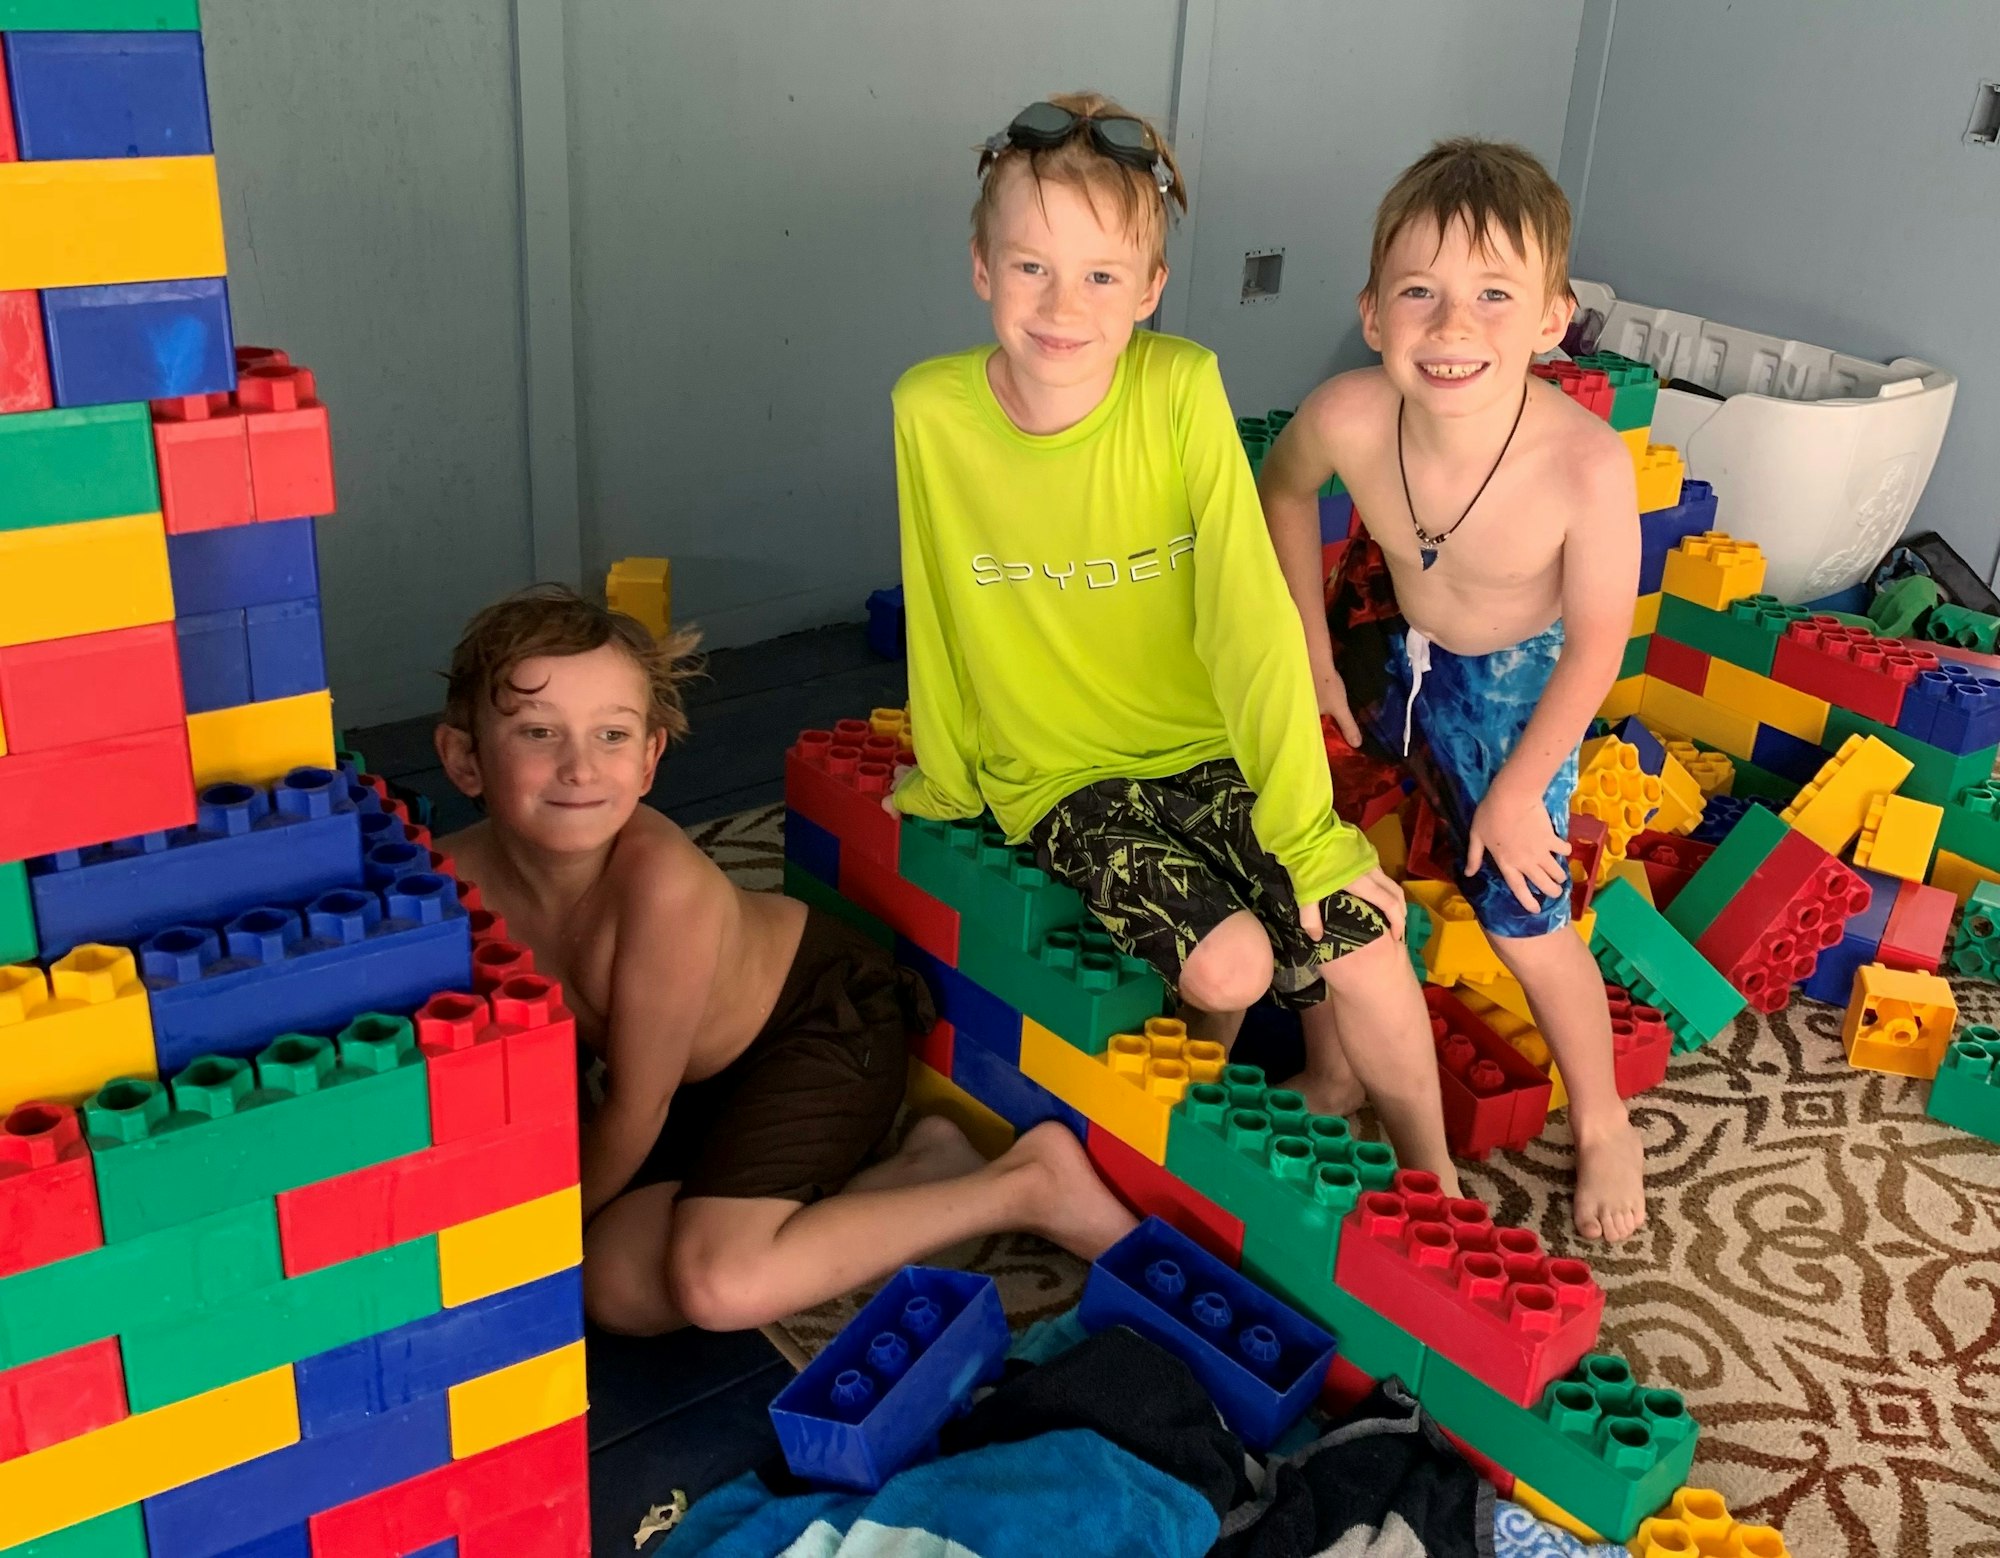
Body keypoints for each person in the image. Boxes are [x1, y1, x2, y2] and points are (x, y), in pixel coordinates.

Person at [890, 92, 1456, 1189]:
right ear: (978, 266)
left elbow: (1246, 619)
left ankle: (1434, 1185)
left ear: (1147, 290)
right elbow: (939, 594)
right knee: (1233, 960)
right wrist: (946, 782)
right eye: (1029, 267)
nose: (1063, 305)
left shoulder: (1180, 386)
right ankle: (1177, 1149)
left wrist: (1305, 832)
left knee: (1359, 926)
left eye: (1101, 275)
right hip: (1059, 771)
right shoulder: (929, 409)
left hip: (1205, 743)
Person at [434, 586, 1138, 1335]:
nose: (579, 767)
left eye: (611, 736)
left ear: (648, 761)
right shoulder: (449, 883)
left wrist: (524, 1245)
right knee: (615, 1287)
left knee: (719, 1286)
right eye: (539, 734)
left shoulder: (660, 891)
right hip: (698, 1084)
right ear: (464, 758)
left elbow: (636, 1109)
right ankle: (918, 1172)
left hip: (820, 1026)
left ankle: (1023, 1185)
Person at [1258, 138, 1646, 1242]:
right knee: (1322, 843)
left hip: (1515, 681)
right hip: (1378, 625)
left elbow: (1596, 647)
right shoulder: (1344, 413)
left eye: (1490, 296)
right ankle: (1335, 1068)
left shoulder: (1583, 467)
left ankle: (1604, 1116)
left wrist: (1522, 787)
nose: (1452, 326)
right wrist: (1311, 650)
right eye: (1418, 294)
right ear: (1371, 311)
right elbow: (1282, 491)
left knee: (1524, 915)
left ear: (1548, 320)